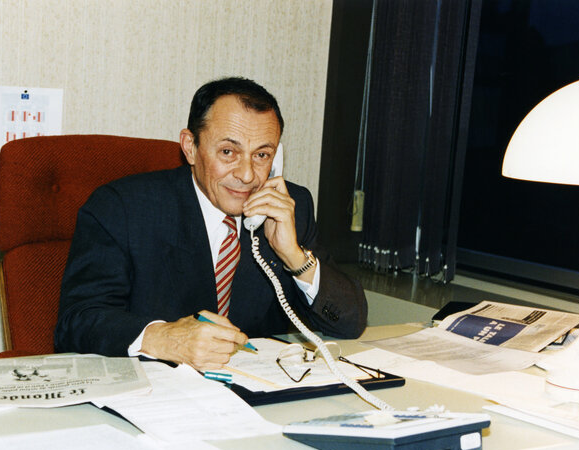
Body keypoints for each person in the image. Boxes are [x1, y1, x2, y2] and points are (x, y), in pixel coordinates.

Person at [54, 77, 366, 370]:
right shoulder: (122, 207)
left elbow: (350, 322)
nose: (246, 174)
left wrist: (293, 256)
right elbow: (77, 322)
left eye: (262, 154)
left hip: (252, 393)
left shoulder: (288, 207)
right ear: (190, 147)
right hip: (154, 394)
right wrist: (165, 337)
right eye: (228, 152)